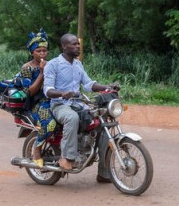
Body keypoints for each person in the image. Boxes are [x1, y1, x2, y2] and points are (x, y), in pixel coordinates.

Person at [43, 33, 120, 182]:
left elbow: (89, 84)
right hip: (59, 104)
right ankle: (67, 157)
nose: (78, 46)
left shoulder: (78, 64)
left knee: (102, 120)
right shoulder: (53, 64)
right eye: (74, 44)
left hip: (78, 103)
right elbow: (48, 90)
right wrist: (62, 93)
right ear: (64, 46)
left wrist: (108, 87)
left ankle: (104, 172)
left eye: (78, 44)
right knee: (72, 118)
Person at [19, 29, 57, 168]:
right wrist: (42, 73)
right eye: (38, 51)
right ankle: (36, 149)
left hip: (54, 100)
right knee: (50, 124)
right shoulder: (27, 68)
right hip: (37, 103)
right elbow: (30, 91)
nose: (42, 54)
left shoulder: (51, 64)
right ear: (31, 52)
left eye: (44, 51)